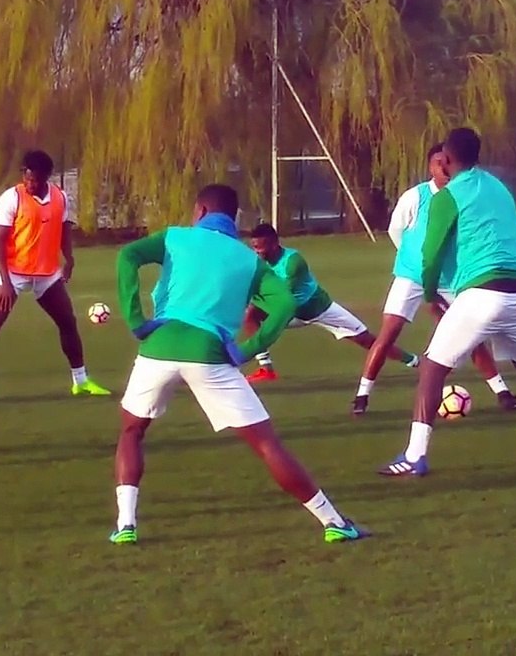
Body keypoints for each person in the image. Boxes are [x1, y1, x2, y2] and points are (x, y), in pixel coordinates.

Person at [111, 183, 369, 545]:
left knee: (131, 432)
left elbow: (128, 257)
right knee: (266, 445)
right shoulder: (251, 261)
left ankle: (126, 526)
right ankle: (334, 522)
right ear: (233, 218)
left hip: (157, 347)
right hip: (211, 354)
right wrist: (250, 349)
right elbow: (284, 305)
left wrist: (136, 319)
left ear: (199, 211)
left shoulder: (174, 237)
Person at [379, 128, 516, 477]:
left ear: (447, 159)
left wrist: (432, 294)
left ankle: (415, 455)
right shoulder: (500, 189)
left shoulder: (446, 197)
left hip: (481, 294)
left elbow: (431, 254)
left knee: (433, 368)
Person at [355, 142, 516, 416]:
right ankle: (362, 396)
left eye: (445, 162)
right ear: (430, 167)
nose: (443, 168)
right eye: (437, 163)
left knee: (472, 336)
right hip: (412, 276)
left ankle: (503, 393)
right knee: (388, 333)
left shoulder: (460, 194)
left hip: (449, 279)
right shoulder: (416, 196)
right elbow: (396, 230)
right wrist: (413, 261)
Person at [0, 150, 110, 402]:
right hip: (13, 273)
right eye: (26, 177)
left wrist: (70, 259)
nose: (28, 183)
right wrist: (6, 282)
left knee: (67, 322)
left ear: (46, 177)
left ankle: (81, 381)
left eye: (33, 179)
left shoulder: (60, 197)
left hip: (47, 273)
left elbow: (64, 230)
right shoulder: (11, 198)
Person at [242, 223, 419, 384]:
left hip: (317, 308)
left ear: (274, 244)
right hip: (289, 311)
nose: (257, 252)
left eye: (260, 248)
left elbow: (282, 298)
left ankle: (413, 360)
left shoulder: (293, 262)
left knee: (367, 340)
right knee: (250, 315)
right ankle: (266, 368)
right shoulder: (258, 262)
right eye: (254, 248)